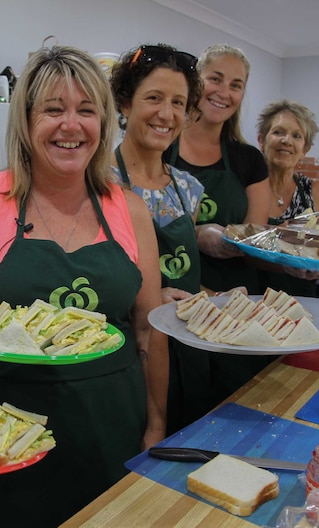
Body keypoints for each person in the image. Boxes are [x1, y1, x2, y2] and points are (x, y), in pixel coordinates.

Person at [0, 45, 167, 528]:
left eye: (87, 110)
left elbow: (149, 331)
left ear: (104, 123)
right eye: (53, 110)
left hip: (114, 427)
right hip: (12, 435)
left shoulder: (127, 208)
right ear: (25, 121)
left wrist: (155, 423)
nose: (71, 125)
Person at [109, 44, 214, 434]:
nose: (166, 114)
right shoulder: (100, 183)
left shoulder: (189, 189)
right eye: (154, 98)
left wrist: (214, 299)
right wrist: (152, 298)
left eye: (178, 103)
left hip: (189, 348)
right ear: (125, 104)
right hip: (133, 353)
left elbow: (183, 276)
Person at [166, 44, 272, 296]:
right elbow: (139, 233)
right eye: (215, 79)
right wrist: (196, 234)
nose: (224, 92)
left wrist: (295, 265)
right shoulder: (162, 147)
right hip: (172, 294)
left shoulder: (249, 160)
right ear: (195, 81)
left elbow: (254, 245)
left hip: (236, 299)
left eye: (236, 85)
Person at [256, 99, 319, 297]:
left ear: (305, 148)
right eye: (278, 132)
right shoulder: (249, 187)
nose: (287, 141)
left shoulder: (315, 191)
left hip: (302, 302)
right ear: (261, 140)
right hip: (251, 298)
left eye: (296, 136)